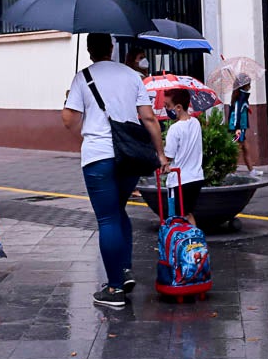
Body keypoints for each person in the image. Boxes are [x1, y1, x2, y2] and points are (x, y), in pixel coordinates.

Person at [62, 33, 168, 308]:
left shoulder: (82, 77)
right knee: (119, 211)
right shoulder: (132, 75)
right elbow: (148, 117)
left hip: (98, 157)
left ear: (88, 50)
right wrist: (160, 153)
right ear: (111, 48)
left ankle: (114, 288)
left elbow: (69, 120)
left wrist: (84, 134)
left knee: (107, 219)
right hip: (129, 156)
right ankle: (125, 269)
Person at [161, 88, 204, 227]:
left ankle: (185, 246)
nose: (166, 109)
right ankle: (195, 244)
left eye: (168, 106)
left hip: (179, 180)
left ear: (178, 107)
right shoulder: (196, 123)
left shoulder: (175, 129)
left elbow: (168, 156)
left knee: (178, 217)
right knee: (188, 214)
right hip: (196, 177)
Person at [228, 73, 261, 176]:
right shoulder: (240, 98)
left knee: (245, 148)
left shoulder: (241, 97)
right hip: (239, 128)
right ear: (244, 85)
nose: (250, 86)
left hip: (240, 127)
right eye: (249, 84)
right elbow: (237, 113)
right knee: (237, 150)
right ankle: (231, 171)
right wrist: (237, 128)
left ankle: (251, 171)